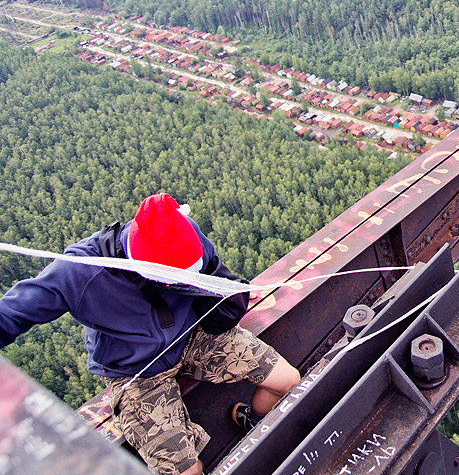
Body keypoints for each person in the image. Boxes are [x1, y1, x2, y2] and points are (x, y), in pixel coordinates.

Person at [0, 193, 301, 475]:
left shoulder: (185, 233)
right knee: (187, 471)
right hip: (134, 371)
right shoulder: (81, 271)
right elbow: (15, 311)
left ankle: (255, 421)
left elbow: (217, 276)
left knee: (288, 382)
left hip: (191, 337)